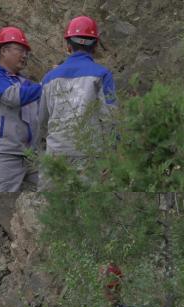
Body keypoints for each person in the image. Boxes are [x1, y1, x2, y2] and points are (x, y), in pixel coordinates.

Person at [38, 15, 117, 190]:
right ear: (95, 46)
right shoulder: (103, 74)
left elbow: (40, 120)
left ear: (68, 46)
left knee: (49, 210)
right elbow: (110, 118)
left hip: (55, 155)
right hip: (90, 156)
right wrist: (112, 155)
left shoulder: (49, 78)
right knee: (88, 210)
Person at [0, 26, 42, 192]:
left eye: (26, 52)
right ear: (4, 51)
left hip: (31, 156)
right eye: (20, 50)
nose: (25, 55)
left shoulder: (26, 84)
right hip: (3, 155)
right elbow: (14, 97)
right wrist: (47, 84)